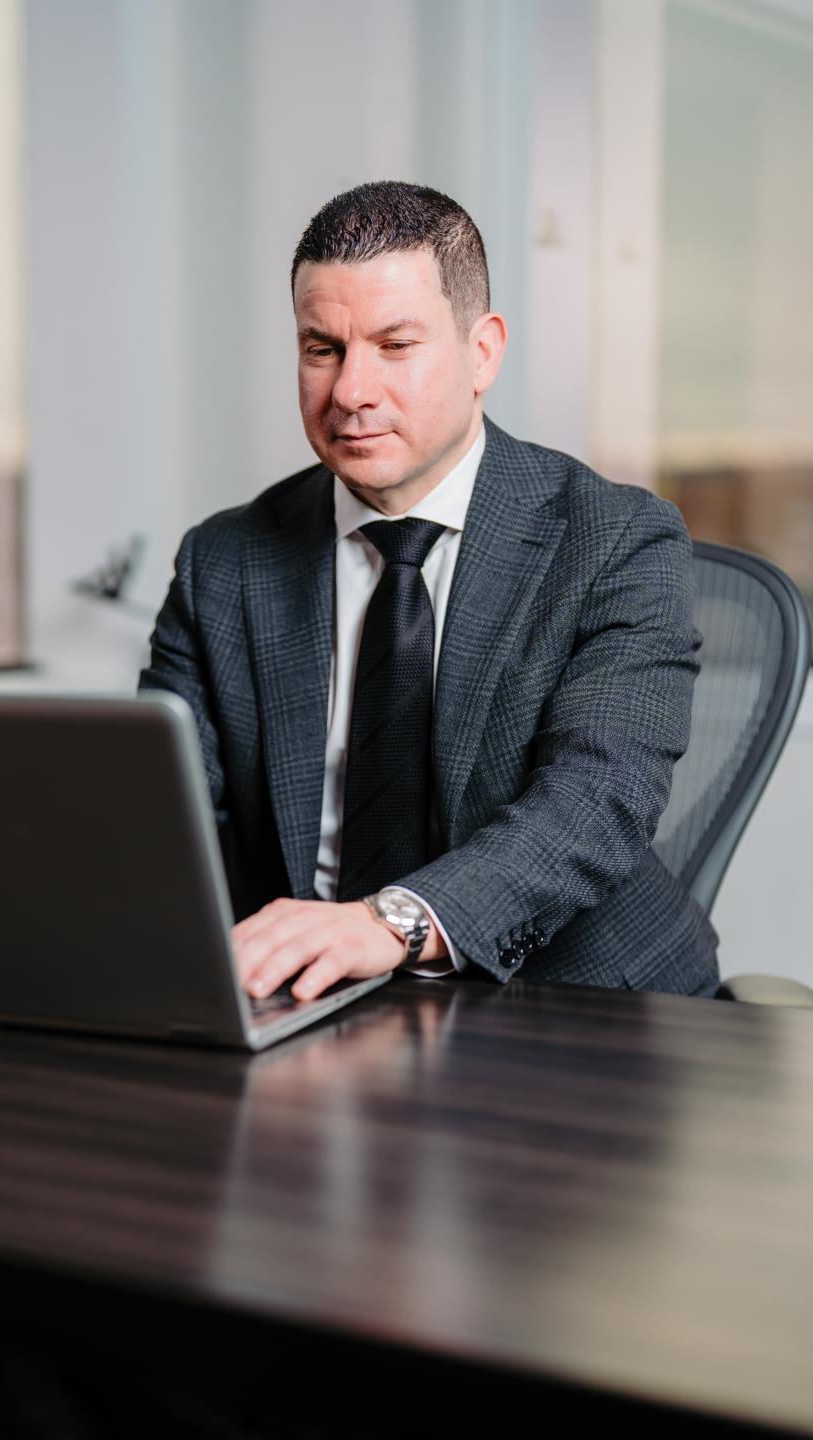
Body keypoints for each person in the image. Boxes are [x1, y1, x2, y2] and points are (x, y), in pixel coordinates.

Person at [140, 181, 719, 999]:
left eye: (395, 345)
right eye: (322, 348)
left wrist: (387, 923)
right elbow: (156, 811)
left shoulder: (617, 541)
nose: (349, 392)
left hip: (572, 1004)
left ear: (483, 351)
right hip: (317, 1000)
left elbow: (596, 803)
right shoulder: (225, 561)